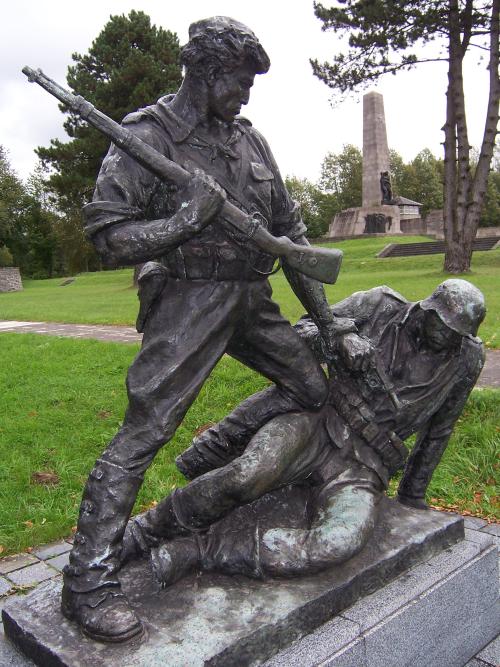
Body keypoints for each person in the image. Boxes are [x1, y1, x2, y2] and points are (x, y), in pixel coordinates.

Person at [62, 17, 361, 643]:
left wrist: (329, 326)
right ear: (203, 71)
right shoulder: (147, 137)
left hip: (252, 297)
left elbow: (293, 239)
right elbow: (107, 236)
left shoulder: (251, 142)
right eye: (239, 81)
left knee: (311, 387)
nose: (247, 94)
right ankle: (88, 579)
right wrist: (183, 223)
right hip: (188, 300)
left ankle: (233, 462)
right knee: (145, 431)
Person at [121, 279, 486, 583]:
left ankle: (201, 552)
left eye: (457, 334)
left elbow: (440, 429)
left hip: (365, 467)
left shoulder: (467, 358)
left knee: (337, 542)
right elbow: (301, 331)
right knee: (246, 475)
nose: (447, 338)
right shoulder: (379, 304)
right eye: (443, 326)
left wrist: (413, 497)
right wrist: (340, 341)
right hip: (318, 422)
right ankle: (142, 532)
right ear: (426, 310)